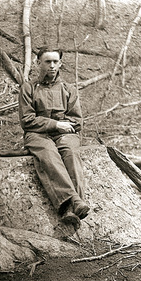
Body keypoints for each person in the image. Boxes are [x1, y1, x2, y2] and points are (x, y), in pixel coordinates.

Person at [18, 46, 89, 228]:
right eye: (47, 61)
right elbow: (27, 120)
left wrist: (64, 127)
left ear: (60, 63)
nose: (51, 66)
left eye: (55, 62)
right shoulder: (28, 89)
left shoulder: (68, 89)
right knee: (49, 154)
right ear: (37, 63)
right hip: (37, 135)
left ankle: (69, 209)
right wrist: (55, 124)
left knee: (70, 152)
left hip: (65, 134)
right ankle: (75, 200)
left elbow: (77, 121)